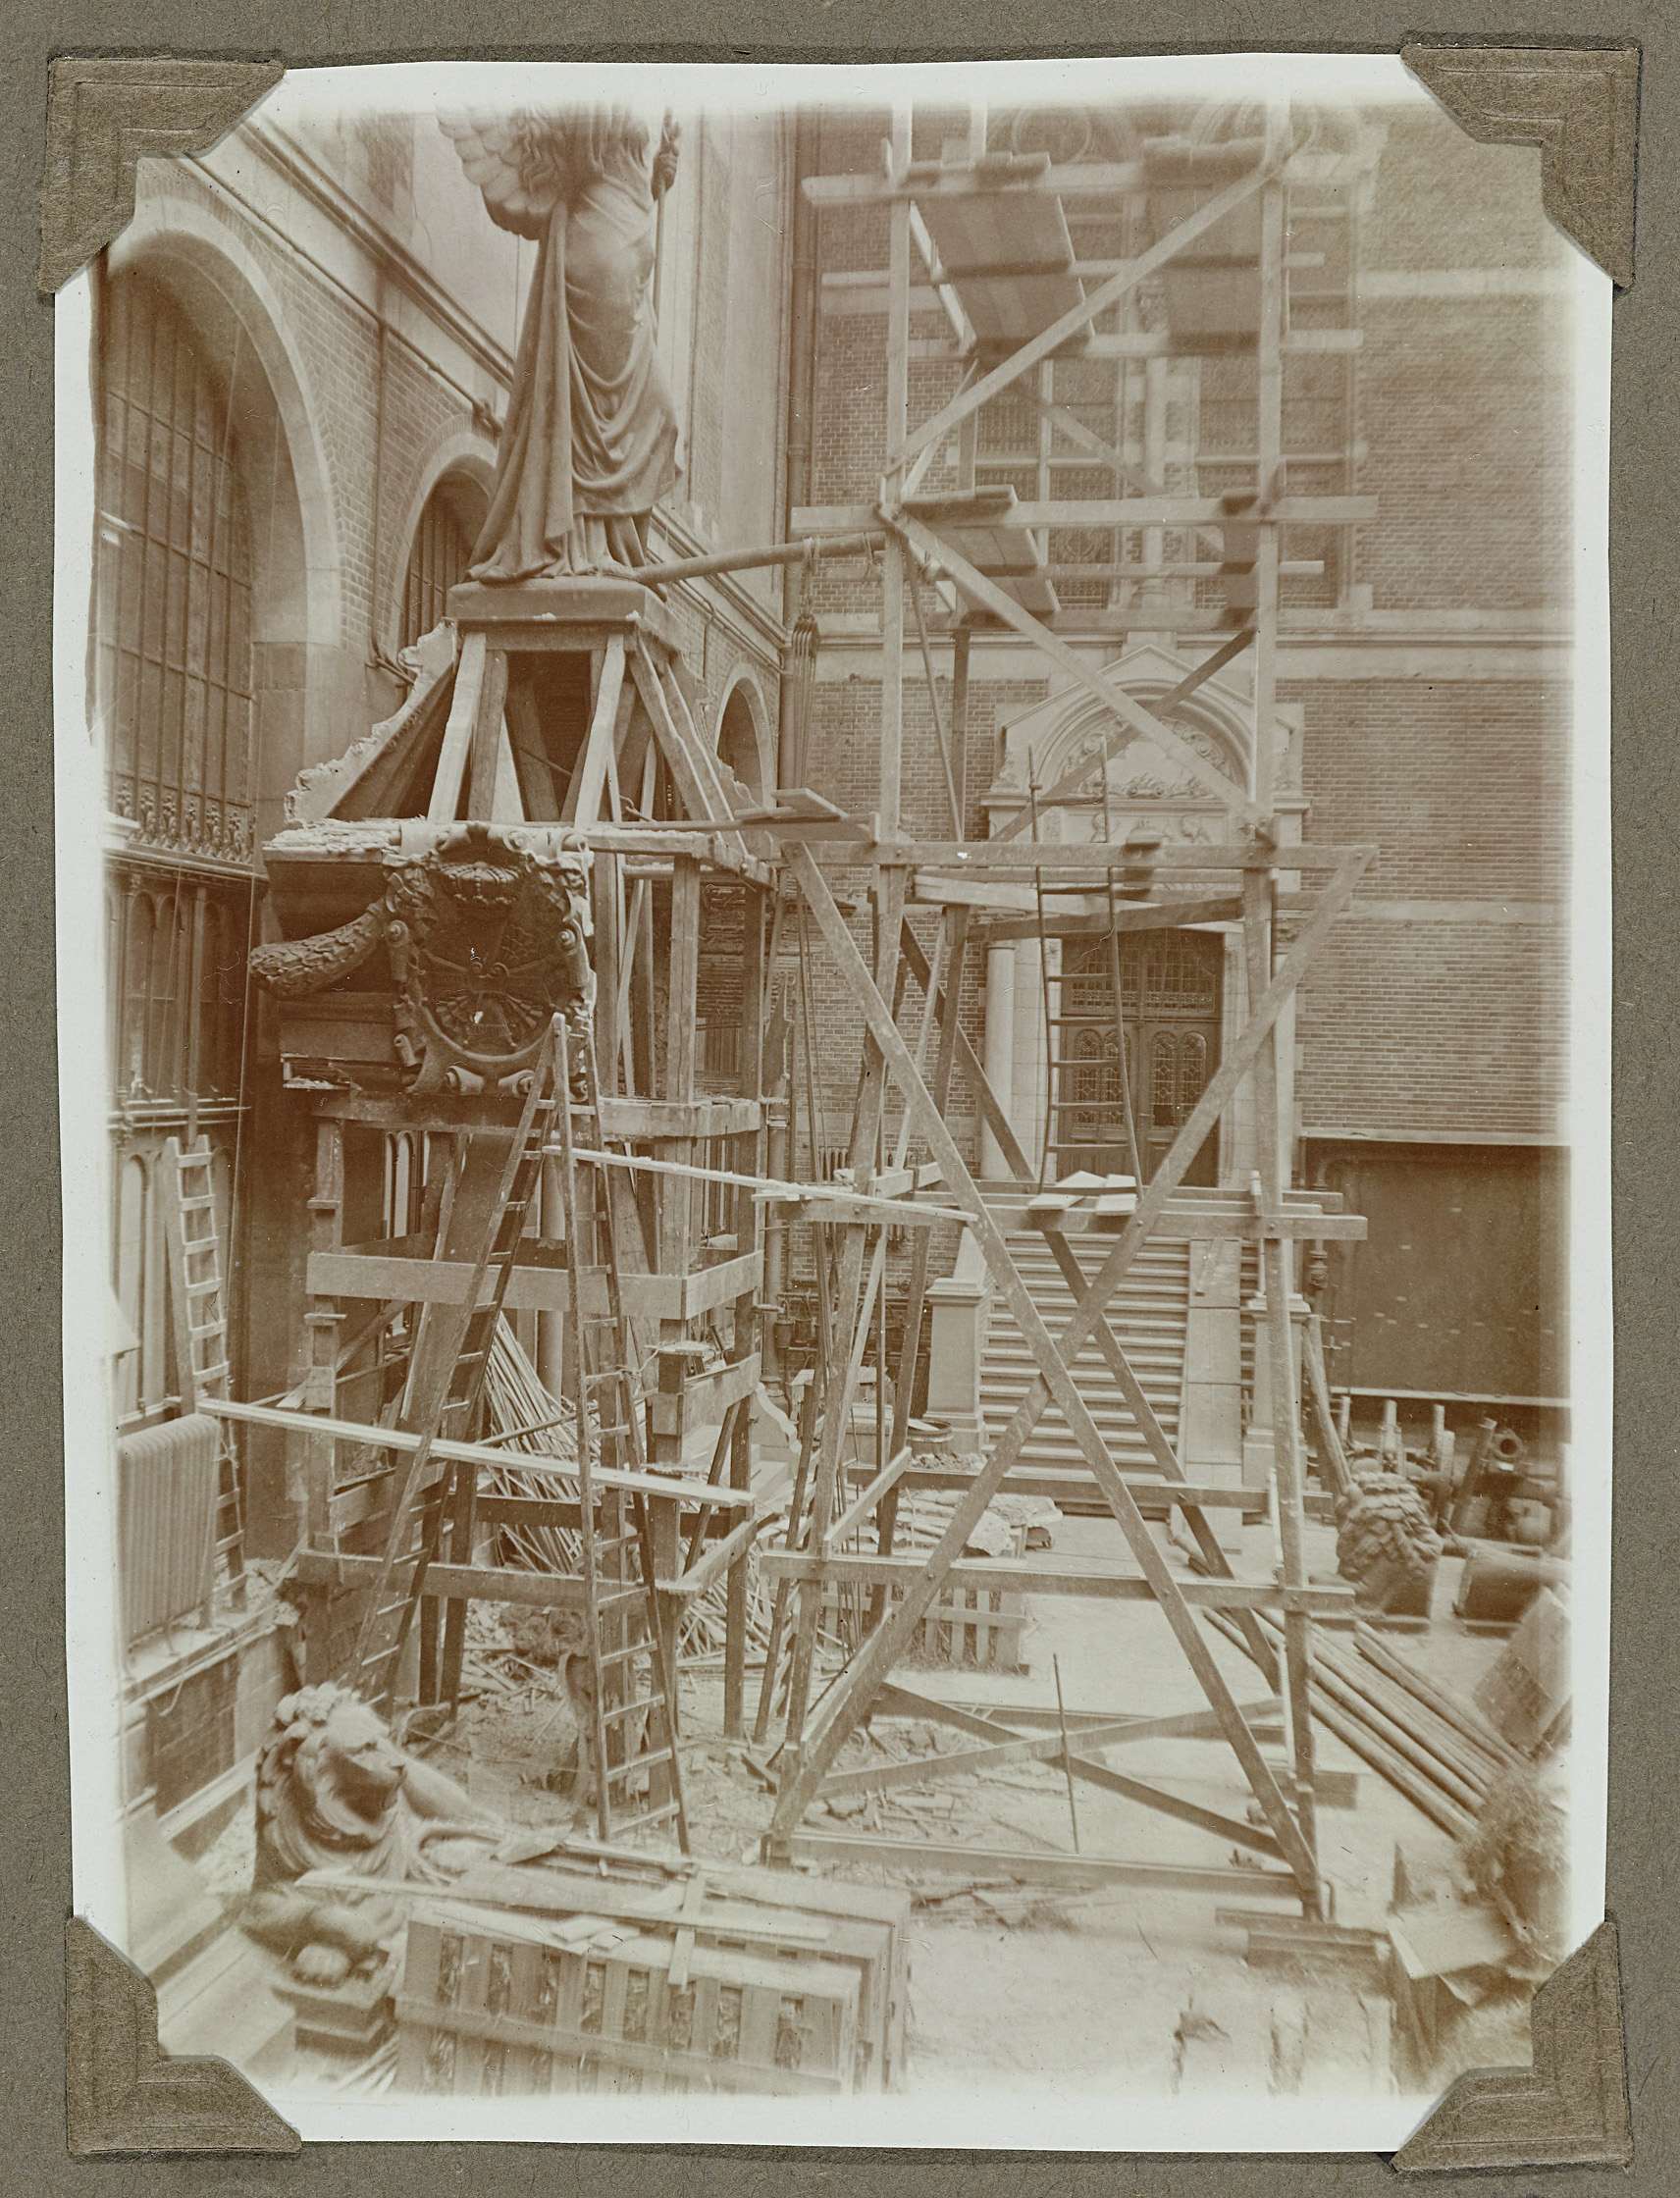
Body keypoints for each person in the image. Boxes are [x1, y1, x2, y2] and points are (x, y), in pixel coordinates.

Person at [441, 104, 683, 581]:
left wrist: (657, 179)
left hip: (627, 270)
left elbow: (619, 170)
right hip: (600, 263)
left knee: (650, 418)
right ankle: (589, 546)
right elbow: (584, 161)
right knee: (600, 418)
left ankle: (614, 545)